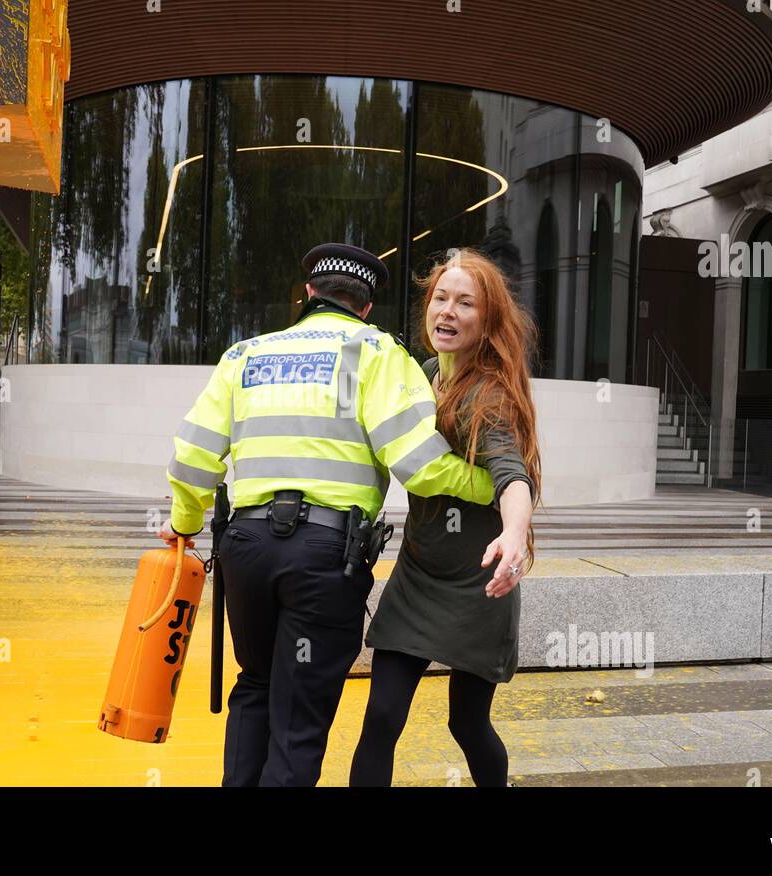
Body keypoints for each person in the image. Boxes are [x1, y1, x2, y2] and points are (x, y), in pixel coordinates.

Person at [157, 242, 528, 787]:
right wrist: (486, 488)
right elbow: (418, 466)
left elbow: (191, 459)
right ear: (366, 307)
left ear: (307, 294)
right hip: (325, 556)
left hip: (246, 551)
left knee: (255, 685)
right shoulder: (376, 354)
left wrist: (185, 524)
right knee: (299, 713)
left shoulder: (245, 355)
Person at [349, 247, 542, 788]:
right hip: (417, 575)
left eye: (466, 303)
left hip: (478, 585)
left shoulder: (489, 393)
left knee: (468, 722)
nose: (448, 312)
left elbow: (513, 476)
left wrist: (513, 534)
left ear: (488, 322)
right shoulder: (425, 375)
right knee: (381, 716)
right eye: (440, 298)